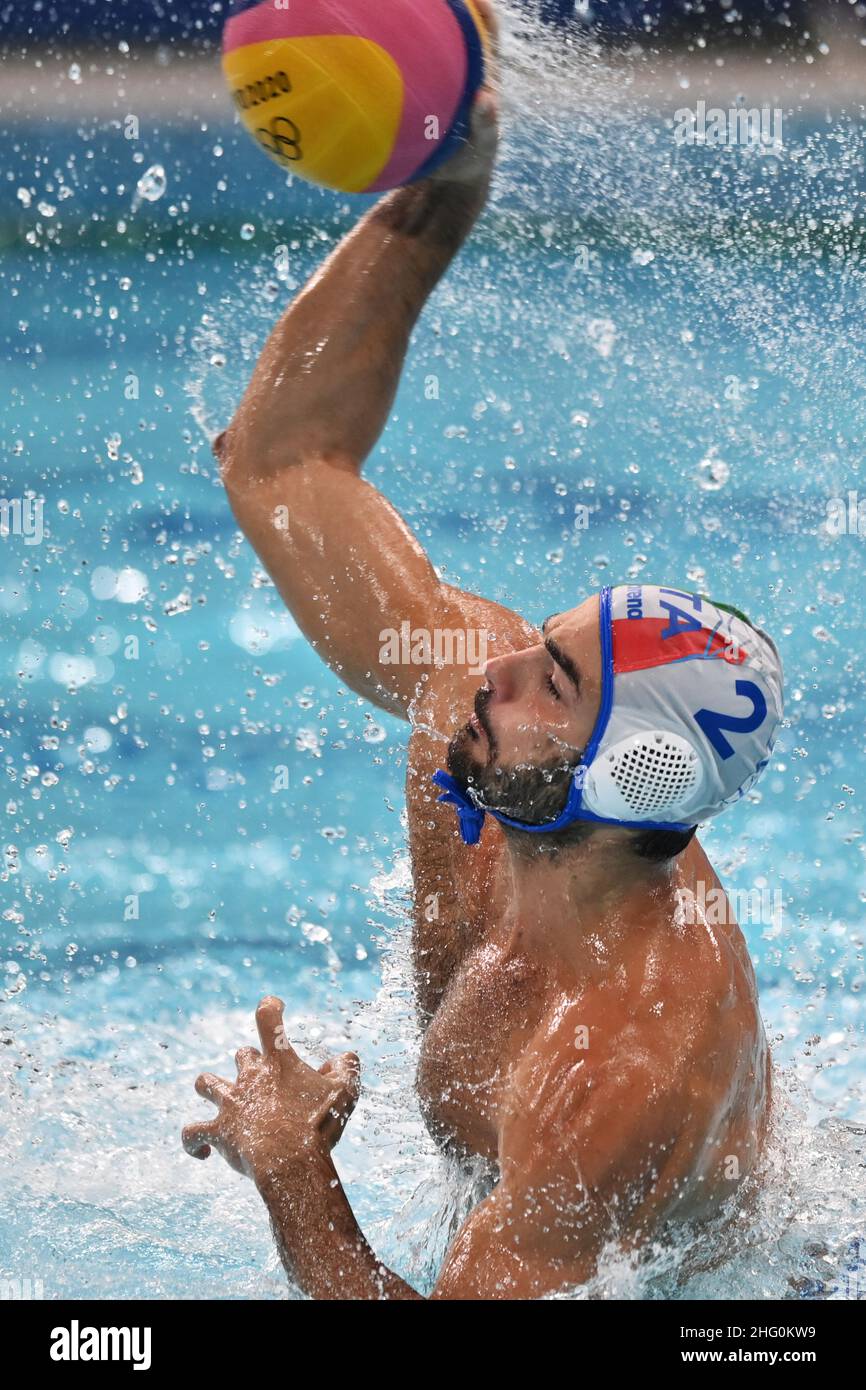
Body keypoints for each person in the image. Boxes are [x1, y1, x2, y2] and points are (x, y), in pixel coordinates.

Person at [182, 0, 784, 1299]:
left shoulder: (622, 1063)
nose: (489, 662)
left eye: (549, 680)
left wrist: (295, 1171)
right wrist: (439, 187)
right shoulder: (476, 713)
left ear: (616, 781)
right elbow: (286, 460)